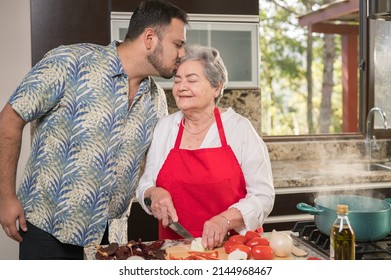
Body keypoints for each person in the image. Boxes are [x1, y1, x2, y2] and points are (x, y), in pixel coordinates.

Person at [0, 0, 188, 260]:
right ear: (149, 38)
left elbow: (155, 167)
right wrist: (6, 197)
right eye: (178, 44)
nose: (182, 54)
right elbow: (10, 120)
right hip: (48, 230)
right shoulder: (70, 62)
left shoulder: (156, 100)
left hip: (110, 242)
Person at [136, 45, 275, 250]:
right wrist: (153, 192)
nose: (182, 87)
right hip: (177, 248)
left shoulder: (239, 128)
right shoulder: (165, 127)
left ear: (216, 87)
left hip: (234, 248)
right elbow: (144, 185)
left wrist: (226, 220)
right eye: (177, 80)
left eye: (191, 80)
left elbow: (264, 196)